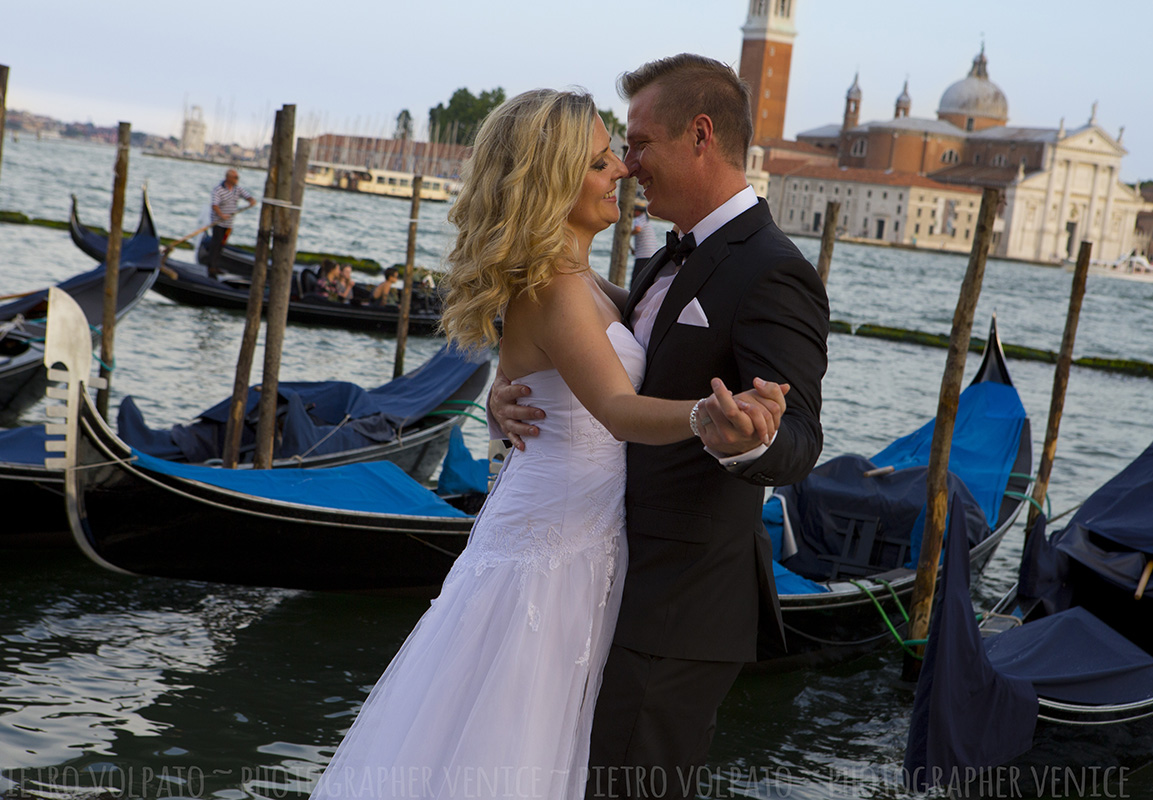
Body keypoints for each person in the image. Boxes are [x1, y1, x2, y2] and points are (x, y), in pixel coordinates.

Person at [309, 88, 782, 800]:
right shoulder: (555, 289)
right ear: (553, 181)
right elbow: (618, 409)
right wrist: (710, 418)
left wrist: (502, 401)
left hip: (578, 536)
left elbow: (557, 373)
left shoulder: (586, 282)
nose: (621, 169)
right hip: (551, 547)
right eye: (599, 162)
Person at [489, 55, 830, 799]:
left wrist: (750, 438)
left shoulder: (772, 270)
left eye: (638, 143)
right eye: (614, 151)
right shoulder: (660, 257)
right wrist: (505, 388)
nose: (626, 163)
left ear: (700, 135)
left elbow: (799, 434)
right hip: (598, 576)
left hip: (680, 604)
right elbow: (564, 339)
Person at [206, 169, 256, 277]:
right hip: (218, 223)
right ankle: (211, 267)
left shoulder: (237, 189)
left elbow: (247, 196)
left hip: (229, 224)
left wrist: (251, 200)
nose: (237, 180)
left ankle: (215, 265)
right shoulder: (218, 190)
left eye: (237, 177)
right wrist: (221, 215)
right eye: (235, 177)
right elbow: (214, 205)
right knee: (216, 244)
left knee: (222, 245)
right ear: (228, 178)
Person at [629, 200, 659, 289]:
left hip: (643, 255)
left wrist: (627, 234)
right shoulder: (646, 221)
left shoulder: (638, 219)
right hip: (651, 253)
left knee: (635, 280)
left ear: (637, 211)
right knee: (644, 280)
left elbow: (637, 229)